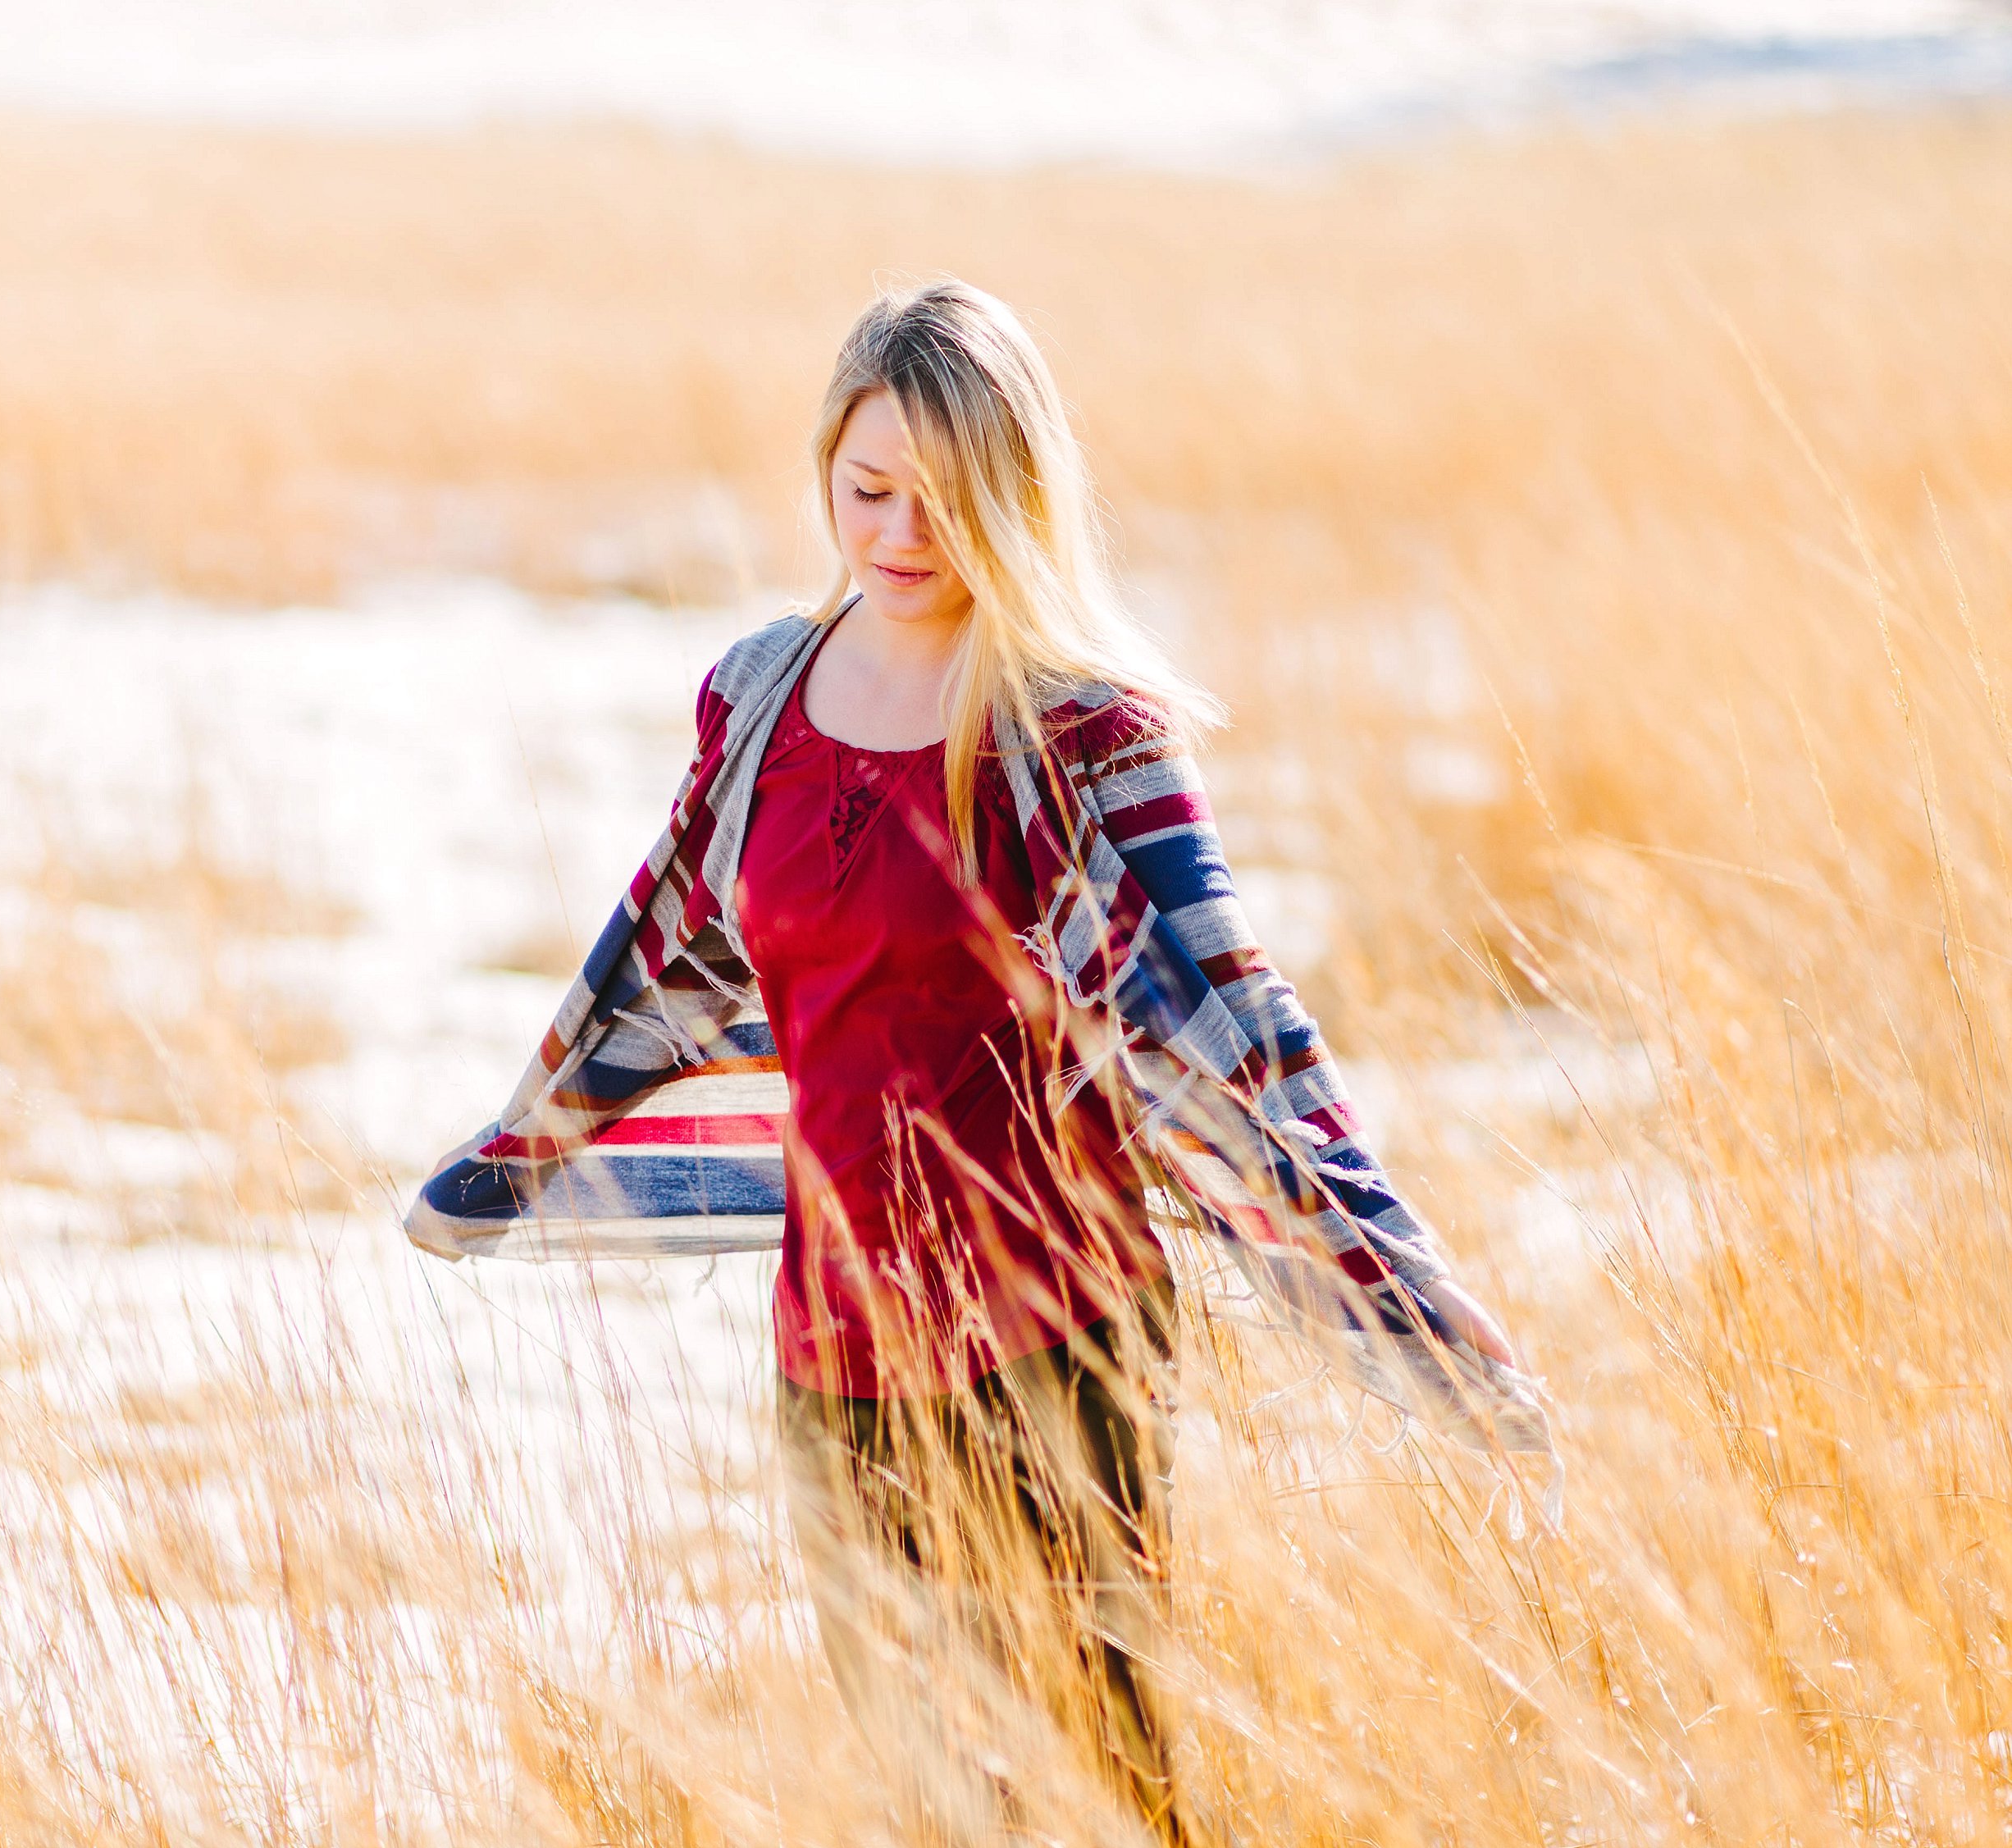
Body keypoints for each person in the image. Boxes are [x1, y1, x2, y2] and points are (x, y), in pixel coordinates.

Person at [412, 279, 1525, 1844]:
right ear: (826, 476)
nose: (901, 532)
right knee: (933, 1802)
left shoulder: (1078, 729)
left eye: (945, 496)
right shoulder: (754, 699)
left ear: (1016, 493)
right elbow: (662, 951)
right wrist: (520, 1148)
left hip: (1055, 1345)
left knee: (1095, 1794)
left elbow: (1225, 1006)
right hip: (832, 1351)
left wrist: (1392, 1269)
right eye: (869, 489)